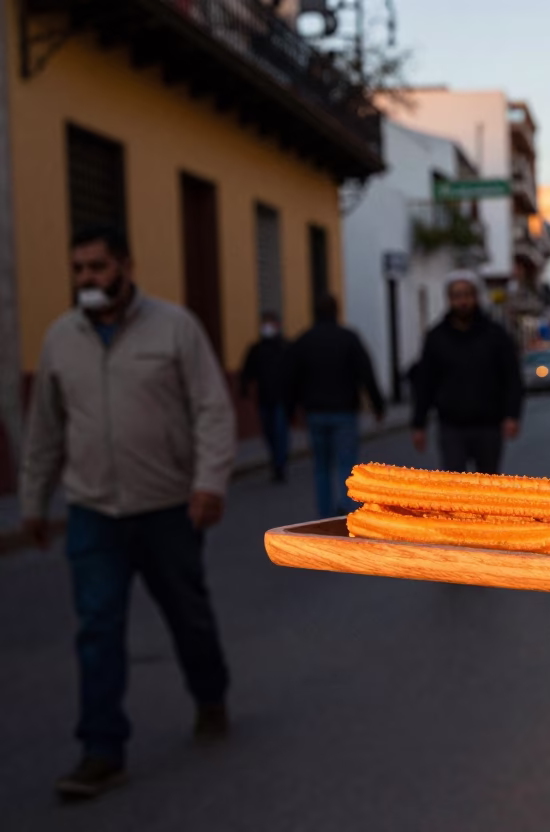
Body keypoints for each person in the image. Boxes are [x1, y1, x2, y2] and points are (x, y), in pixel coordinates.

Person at [20, 225, 237, 800]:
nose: (87, 279)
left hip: (168, 507)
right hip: (93, 511)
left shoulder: (174, 328)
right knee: (97, 629)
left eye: (97, 267)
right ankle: (101, 749)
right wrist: (34, 500)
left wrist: (209, 484)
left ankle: (210, 692)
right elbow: (45, 428)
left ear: (125, 266)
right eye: (79, 270)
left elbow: (212, 409)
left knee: (188, 615)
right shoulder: (60, 339)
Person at [410, 273, 523, 474]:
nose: (462, 301)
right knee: (456, 489)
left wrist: (512, 415)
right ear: (449, 299)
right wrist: (419, 424)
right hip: (451, 426)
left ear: (476, 297)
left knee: (488, 489)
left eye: (467, 295)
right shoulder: (436, 337)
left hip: (488, 425)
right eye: (457, 295)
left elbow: (512, 378)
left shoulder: (496, 335)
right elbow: (425, 382)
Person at [286, 294, 385, 518]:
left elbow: (291, 378)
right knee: (346, 464)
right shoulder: (349, 339)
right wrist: (378, 405)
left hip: (315, 413)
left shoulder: (304, 341)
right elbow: (366, 372)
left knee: (321, 465)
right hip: (345, 412)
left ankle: (324, 513)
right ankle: (347, 511)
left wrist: (291, 411)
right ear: (337, 311)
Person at [239, 311, 289, 482]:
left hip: (281, 399)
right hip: (264, 398)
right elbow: (247, 371)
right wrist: (244, 388)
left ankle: (279, 465)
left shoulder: (285, 347)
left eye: (270, 323)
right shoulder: (256, 349)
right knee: (269, 433)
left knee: (280, 432)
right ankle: (275, 459)